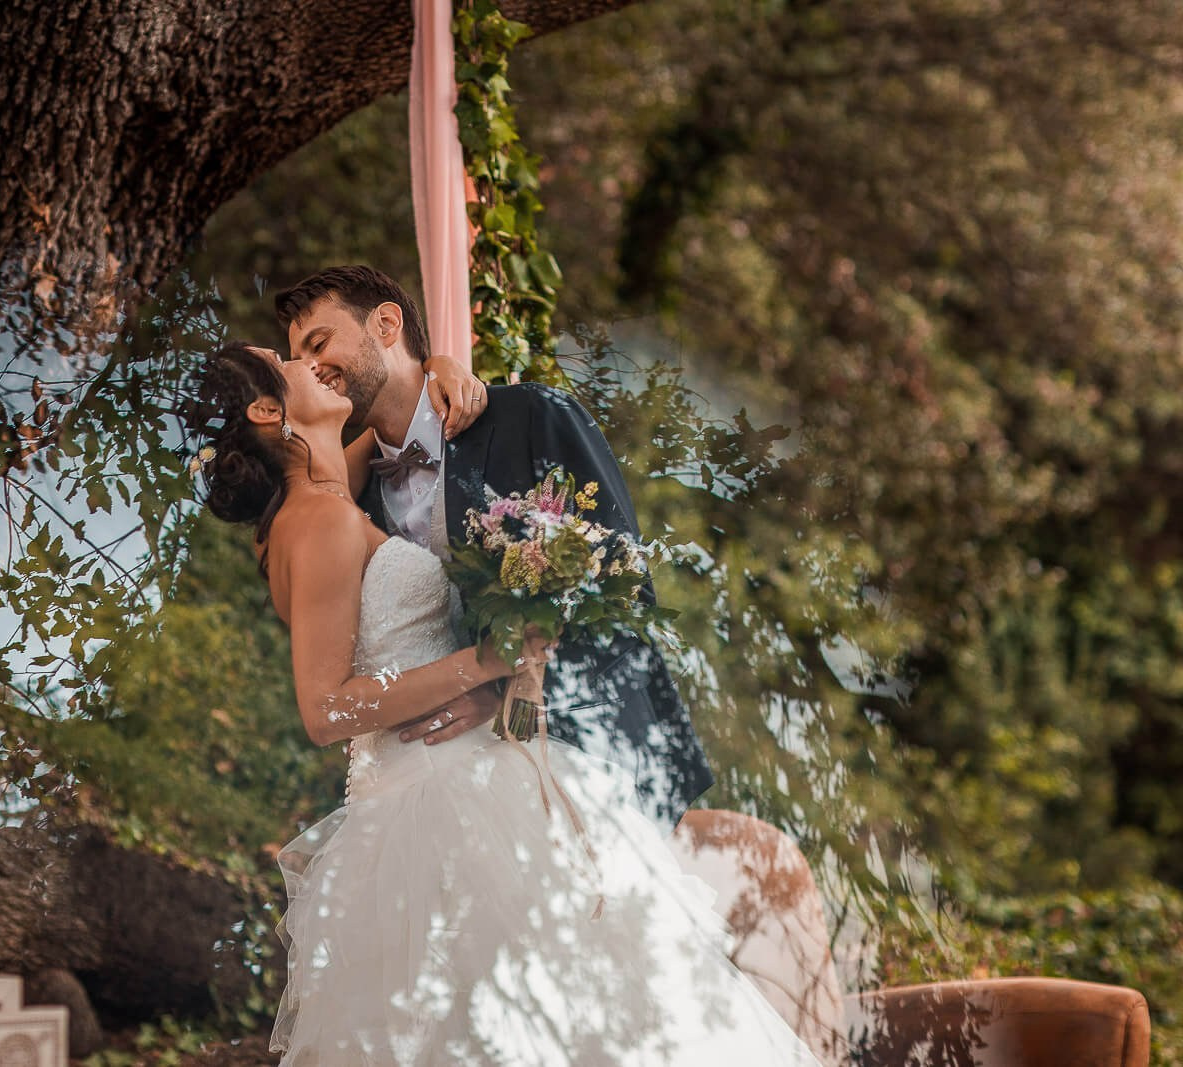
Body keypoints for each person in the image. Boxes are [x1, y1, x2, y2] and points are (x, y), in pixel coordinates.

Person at [187, 340, 823, 1066]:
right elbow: (325, 709)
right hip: (440, 793)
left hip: (435, 779)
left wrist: (441, 367)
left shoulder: (317, 500)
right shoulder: (321, 520)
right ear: (266, 410)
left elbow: (398, 417)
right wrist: (485, 663)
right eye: (290, 359)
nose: (311, 361)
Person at [275, 265, 714, 828]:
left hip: (596, 759)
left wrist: (505, 690)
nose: (310, 366)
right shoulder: (347, 501)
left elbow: (622, 587)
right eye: (298, 358)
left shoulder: (532, 417)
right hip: (452, 792)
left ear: (386, 325)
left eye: (319, 343)